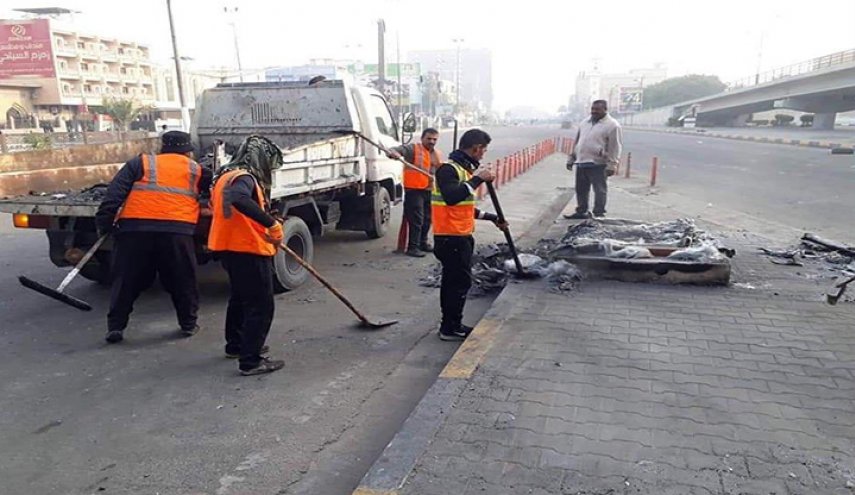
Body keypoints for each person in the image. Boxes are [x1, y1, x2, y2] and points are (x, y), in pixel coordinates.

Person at [95, 131, 212, 344]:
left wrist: (105, 224)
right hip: (177, 231)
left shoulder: (141, 163)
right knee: (182, 279)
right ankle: (188, 324)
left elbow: (114, 194)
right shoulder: (198, 170)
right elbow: (212, 194)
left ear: (161, 148)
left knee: (126, 280)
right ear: (188, 151)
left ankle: (116, 327)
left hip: (135, 229)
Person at [208, 148, 286, 376]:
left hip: (228, 246)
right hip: (247, 248)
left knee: (240, 298)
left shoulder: (225, 176)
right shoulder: (243, 178)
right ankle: (251, 360)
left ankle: (236, 345)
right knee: (261, 305)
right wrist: (270, 223)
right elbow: (239, 199)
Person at [432, 128, 508, 341]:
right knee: (459, 282)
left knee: (453, 282)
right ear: (476, 148)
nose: (483, 154)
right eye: (483, 150)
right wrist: (478, 179)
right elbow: (452, 197)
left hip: (459, 235)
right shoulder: (448, 169)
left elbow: (464, 208)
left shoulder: (462, 171)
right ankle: (450, 327)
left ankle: (450, 324)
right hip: (451, 237)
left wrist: (492, 218)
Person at [387, 128, 442, 257]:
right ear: (422, 138)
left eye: (434, 139)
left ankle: (423, 243)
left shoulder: (436, 153)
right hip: (414, 190)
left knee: (427, 219)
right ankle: (413, 247)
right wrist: (393, 153)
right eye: (429, 139)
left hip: (429, 190)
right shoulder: (413, 149)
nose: (432, 141)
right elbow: (398, 150)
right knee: (417, 219)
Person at [564, 99, 623, 219]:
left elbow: (615, 147)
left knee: (600, 190)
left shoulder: (613, 125)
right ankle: (581, 211)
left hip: (598, 163)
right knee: (581, 189)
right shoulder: (584, 122)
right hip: (582, 162)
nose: (594, 111)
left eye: (597, 109)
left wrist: (612, 165)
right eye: (592, 109)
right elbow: (578, 141)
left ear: (605, 110)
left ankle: (599, 214)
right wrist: (572, 158)